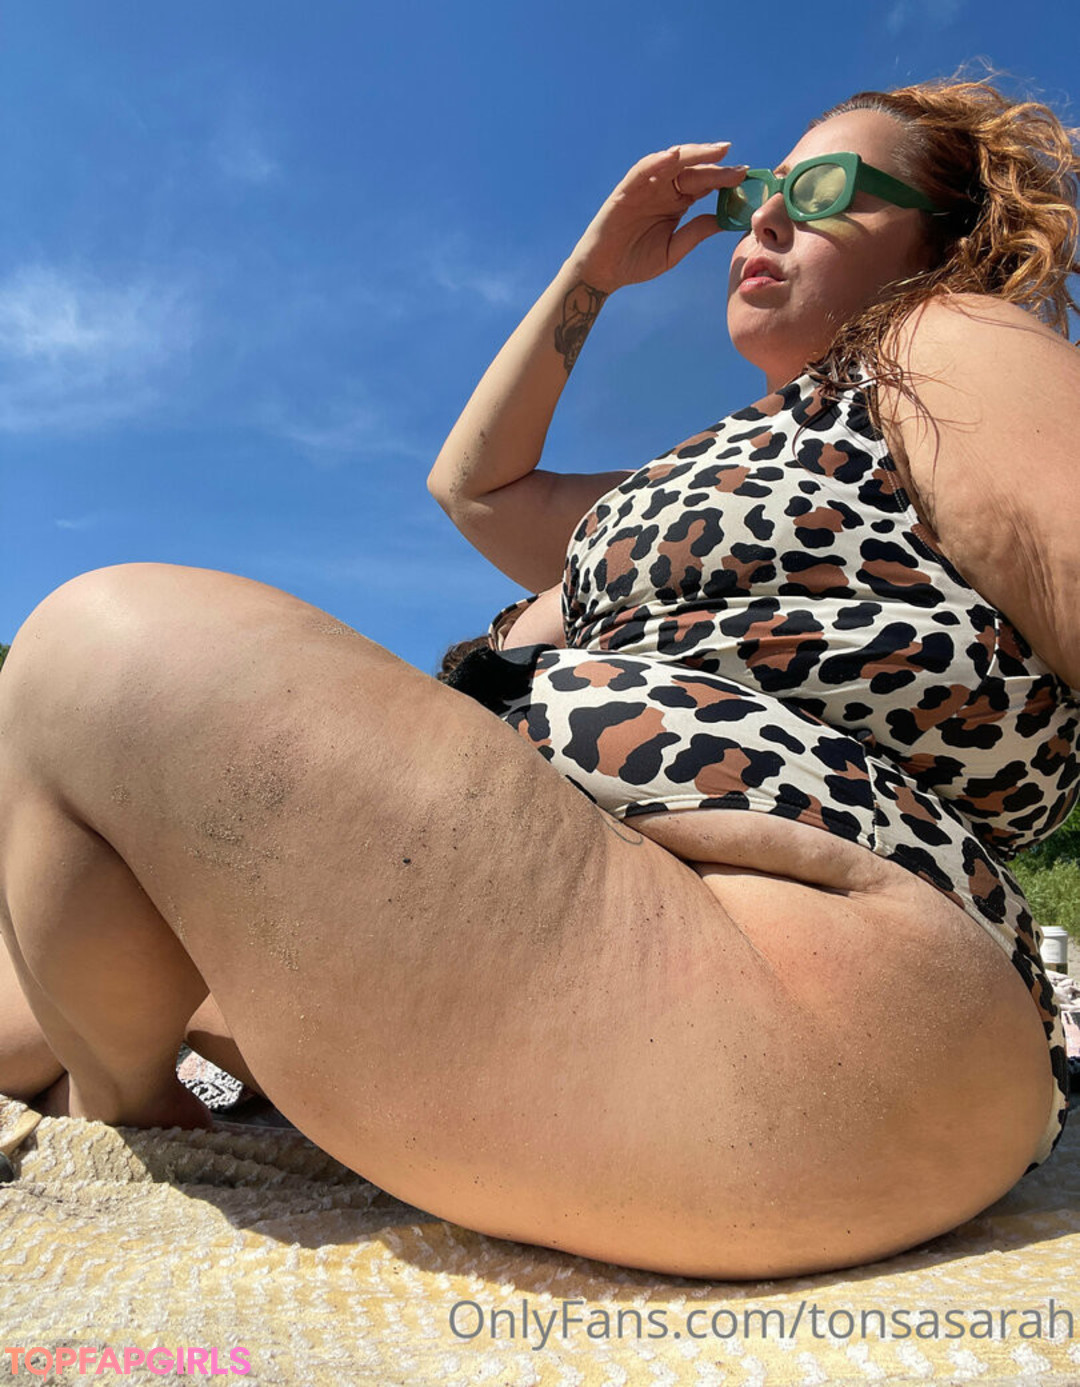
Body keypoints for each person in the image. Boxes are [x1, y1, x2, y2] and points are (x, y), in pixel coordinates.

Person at [1, 75, 1078, 1282]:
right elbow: (476, 491)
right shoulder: (731, 471)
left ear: (943, 243)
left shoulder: (946, 342)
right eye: (759, 195)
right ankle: (120, 1075)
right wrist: (593, 273)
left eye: (822, 190)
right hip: (621, 963)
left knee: (97, 645)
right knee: (38, 962)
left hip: (806, 992)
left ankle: (128, 1109)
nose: (767, 217)